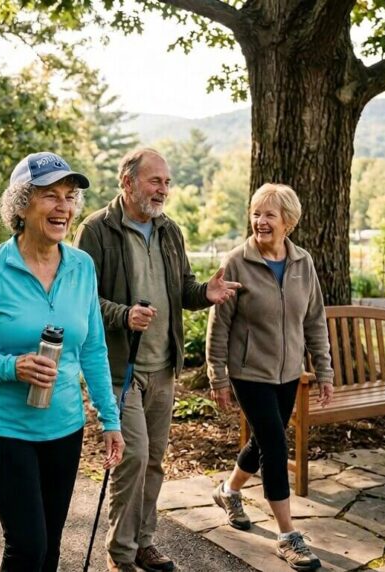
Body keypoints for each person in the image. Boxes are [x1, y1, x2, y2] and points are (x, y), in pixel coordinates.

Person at [0, 151, 125, 572]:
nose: (63, 207)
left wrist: (110, 419)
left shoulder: (82, 266)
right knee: (27, 547)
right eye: (50, 196)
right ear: (21, 205)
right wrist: (12, 367)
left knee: (51, 548)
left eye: (69, 197)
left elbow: (93, 348)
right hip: (3, 429)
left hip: (64, 426)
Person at [75, 147, 240, 572]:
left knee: (153, 460)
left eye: (166, 182)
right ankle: (121, 554)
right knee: (132, 456)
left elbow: (182, 289)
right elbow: (81, 299)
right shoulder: (96, 230)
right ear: (127, 183)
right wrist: (123, 315)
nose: (163, 190)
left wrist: (206, 293)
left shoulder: (170, 231)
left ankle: (144, 542)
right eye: (155, 181)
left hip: (162, 368)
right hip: (118, 368)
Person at [206, 183, 335, 571]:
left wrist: (324, 370)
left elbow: (314, 320)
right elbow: (219, 326)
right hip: (249, 373)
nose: (260, 222)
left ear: (288, 223)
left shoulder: (303, 263)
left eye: (269, 215)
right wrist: (218, 377)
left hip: (288, 373)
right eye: (256, 213)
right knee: (276, 447)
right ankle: (287, 535)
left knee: (264, 443)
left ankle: (228, 491)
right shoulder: (236, 263)